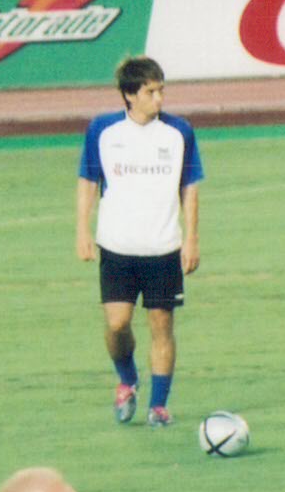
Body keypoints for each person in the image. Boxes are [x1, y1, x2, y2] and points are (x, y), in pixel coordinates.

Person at [76, 56, 203, 429]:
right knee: (117, 324)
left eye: (161, 90)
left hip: (163, 248)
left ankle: (158, 406)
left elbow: (190, 187)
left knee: (162, 326)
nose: (159, 99)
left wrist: (191, 238)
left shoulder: (179, 132)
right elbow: (88, 180)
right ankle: (127, 379)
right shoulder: (102, 130)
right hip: (117, 247)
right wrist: (82, 229)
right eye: (150, 92)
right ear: (129, 95)